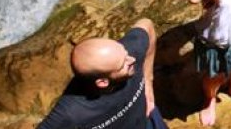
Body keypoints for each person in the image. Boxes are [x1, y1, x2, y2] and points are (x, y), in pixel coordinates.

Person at [37, 18, 165, 129]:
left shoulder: (130, 52)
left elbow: (147, 25)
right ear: (103, 82)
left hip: (149, 122)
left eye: (125, 53)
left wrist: (148, 80)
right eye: (123, 64)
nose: (132, 60)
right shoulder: (72, 110)